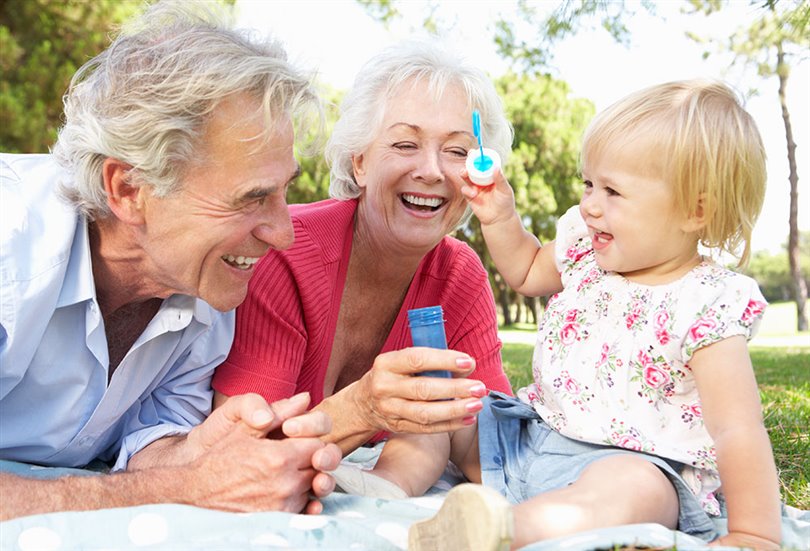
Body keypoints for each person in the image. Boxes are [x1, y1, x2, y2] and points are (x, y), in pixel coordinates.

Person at [355, 80, 782, 549]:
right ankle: (385, 491)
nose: (590, 204)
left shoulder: (706, 304)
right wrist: (499, 217)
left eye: (613, 192)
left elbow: (737, 428)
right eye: (589, 184)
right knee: (446, 406)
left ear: (695, 211)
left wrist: (752, 533)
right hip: (527, 440)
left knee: (638, 490)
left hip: (620, 466)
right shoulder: (586, 251)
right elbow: (526, 269)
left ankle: (501, 530)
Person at [0, 1, 342, 521]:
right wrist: (183, 490)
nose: (284, 234)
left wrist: (208, 450)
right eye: (251, 197)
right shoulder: (10, 240)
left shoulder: (206, 293)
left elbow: (147, 451)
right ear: (129, 188)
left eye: (282, 192)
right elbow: (159, 489)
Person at [212, 40, 514, 464]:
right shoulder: (284, 251)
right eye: (405, 145)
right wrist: (362, 409)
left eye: (458, 152)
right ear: (360, 164)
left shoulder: (461, 277)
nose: (431, 170)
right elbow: (239, 454)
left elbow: (494, 448)